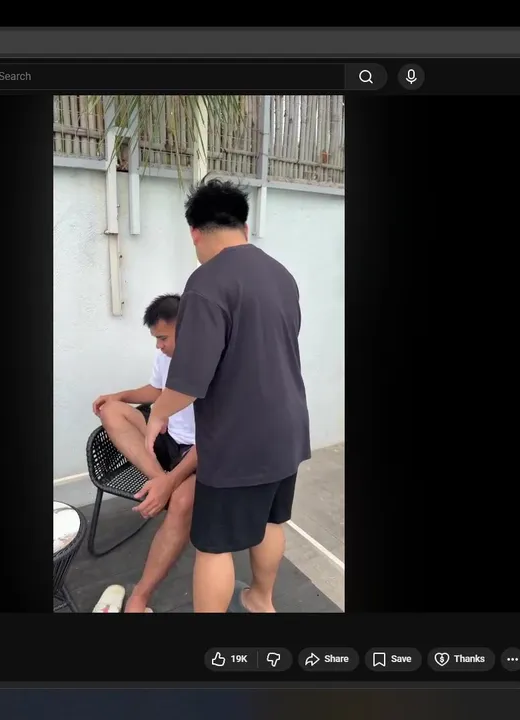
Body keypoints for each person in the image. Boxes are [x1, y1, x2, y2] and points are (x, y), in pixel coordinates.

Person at [144, 179, 311, 613]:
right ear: (245, 227)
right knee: (271, 519)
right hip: (288, 428)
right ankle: (261, 600)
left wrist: (158, 414)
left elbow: (188, 381)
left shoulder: (207, 282)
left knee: (214, 546)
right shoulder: (282, 275)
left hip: (239, 439)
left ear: (194, 233)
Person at [92, 293, 198, 613]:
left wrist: (175, 480)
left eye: (163, 338)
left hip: (200, 454)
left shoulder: (212, 364)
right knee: (111, 410)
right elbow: (156, 390)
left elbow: (215, 440)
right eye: (155, 339)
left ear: (187, 329)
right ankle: (160, 481)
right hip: (165, 440)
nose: (158, 346)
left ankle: (139, 596)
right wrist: (119, 395)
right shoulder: (166, 357)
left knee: (182, 502)